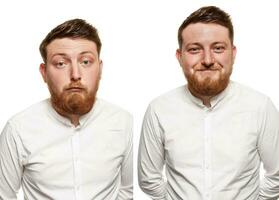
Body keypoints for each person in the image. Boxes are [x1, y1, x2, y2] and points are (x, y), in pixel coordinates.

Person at [138, 6, 279, 200]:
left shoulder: (260, 107)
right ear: (180, 57)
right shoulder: (159, 110)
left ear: (233, 53)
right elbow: (149, 179)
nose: (207, 60)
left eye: (218, 48)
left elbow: (277, 175)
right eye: (195, 49)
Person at [0, 19, 133, 200]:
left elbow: (130, 189)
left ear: (100, 69)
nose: (76, 75)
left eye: (86, 61)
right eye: (61, 63)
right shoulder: (18, 129)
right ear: (44, 72)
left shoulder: (125, 123)